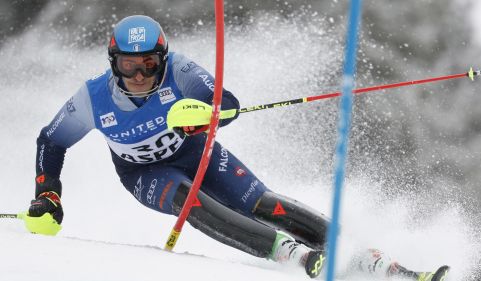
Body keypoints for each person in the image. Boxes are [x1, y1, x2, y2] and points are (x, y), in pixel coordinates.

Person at [26, 15, 448, 280]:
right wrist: (48, 194)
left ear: (163, 59)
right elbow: (51, 140)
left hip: (194, 152)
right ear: (112, 61)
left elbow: (228, 104)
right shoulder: (92, 98)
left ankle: (372, 260)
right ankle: (297, 258)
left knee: (263, 203)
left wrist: (207, 114)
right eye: (129, 66)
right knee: (189, 202)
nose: (139, 75)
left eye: (149, 64)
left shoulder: (182, 70)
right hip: (144, 174)